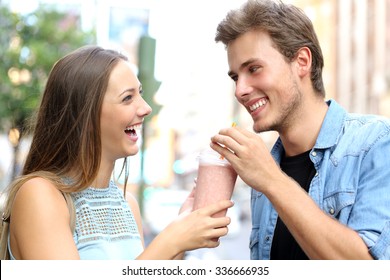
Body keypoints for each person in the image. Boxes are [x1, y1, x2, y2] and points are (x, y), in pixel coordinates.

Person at [0, 46, 233, 260]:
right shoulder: (39, 194)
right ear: (85, 115)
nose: (146, 108)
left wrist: (182, 236)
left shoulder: (127, 205)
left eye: (140, 94)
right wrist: (171, 240)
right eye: (128, 98)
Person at [211, 0, 390, 259]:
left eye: (254, 69)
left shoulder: (377, 142)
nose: (240, 90)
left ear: (302, 61)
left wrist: (272, 180)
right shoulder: (264, 172)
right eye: (236, 77)